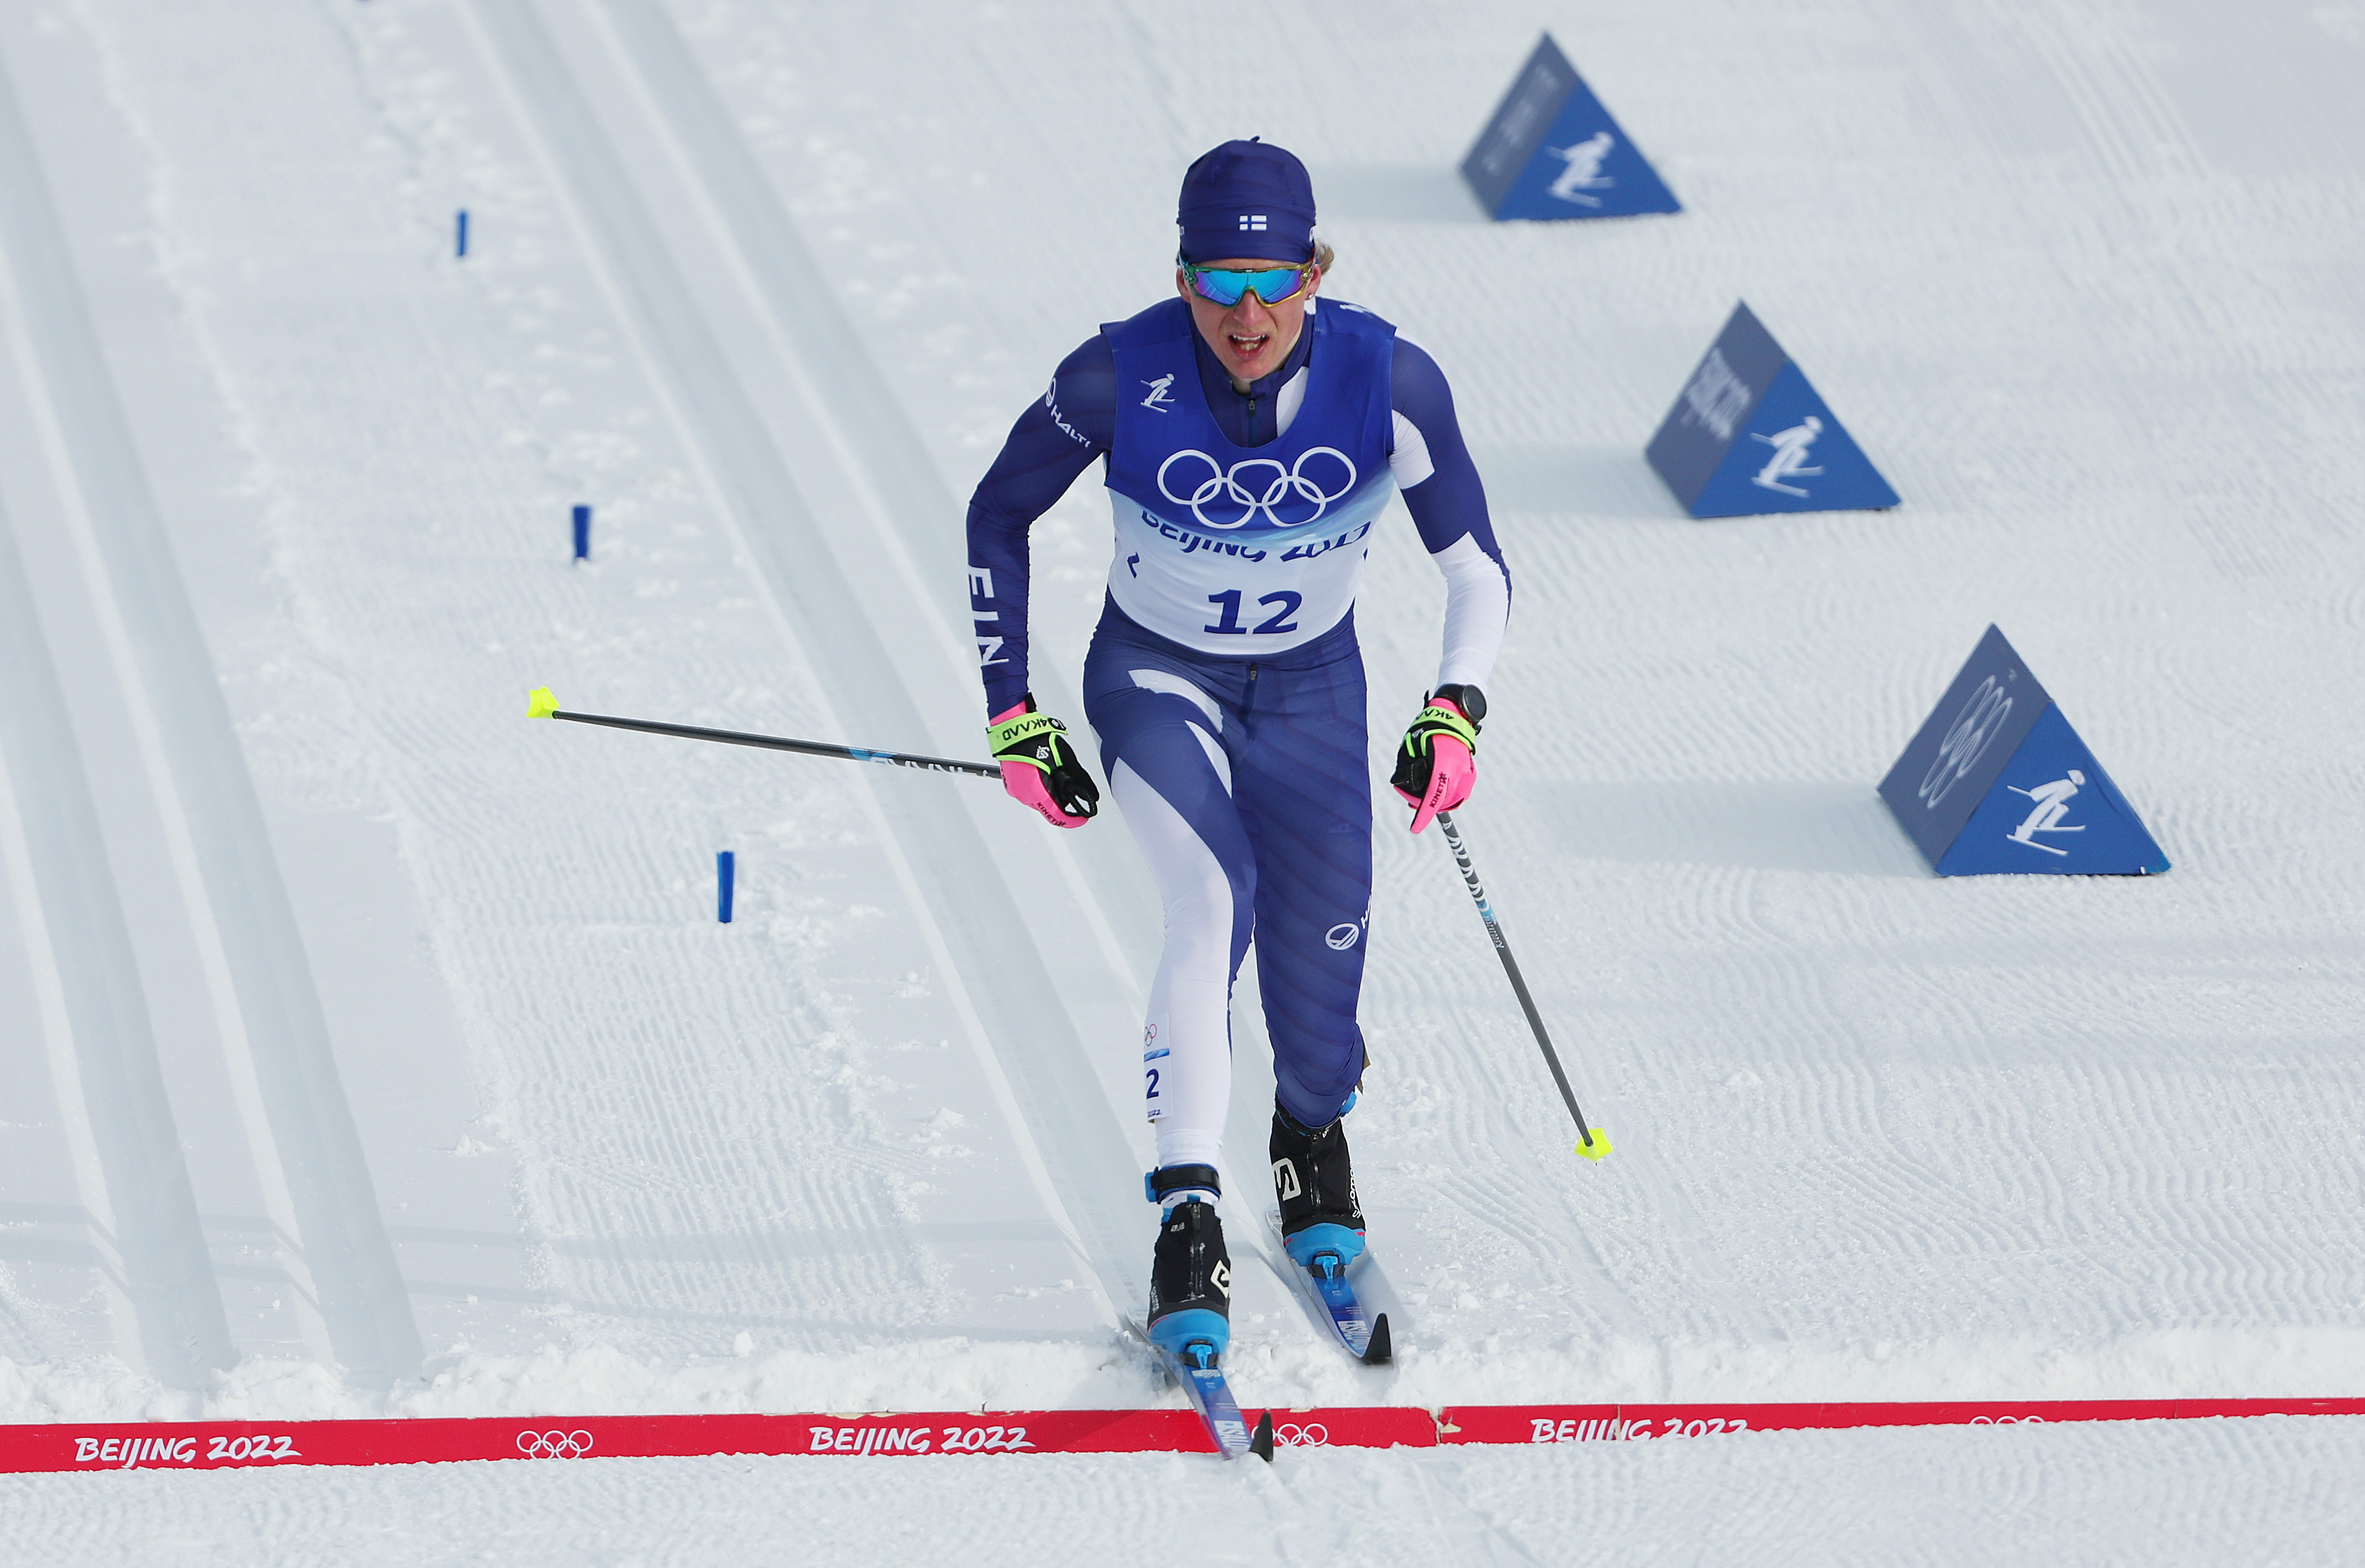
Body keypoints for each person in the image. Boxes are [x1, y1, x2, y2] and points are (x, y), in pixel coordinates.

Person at [964, 139, 1510, 1358]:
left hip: (1314, 686)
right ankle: (1188, 1214)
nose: (1248, 314)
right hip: (1156, 674)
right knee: (1214, 901)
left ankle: (1309, 1144)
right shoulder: (1113, 378)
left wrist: (1455, 707)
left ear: (1316, 270)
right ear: (1181, 281)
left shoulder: (1392, 380)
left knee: (1323, 970)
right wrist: (1013, 706)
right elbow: (997, 510)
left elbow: (1473, 566)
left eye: (1273, 280)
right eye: (1218, 283)